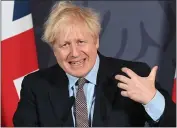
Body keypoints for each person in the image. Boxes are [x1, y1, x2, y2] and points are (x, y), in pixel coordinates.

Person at [13, 1, 176, 127]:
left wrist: (152, 100)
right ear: (54, 50)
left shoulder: (132, 75)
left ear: (96, 41)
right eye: (64, 45)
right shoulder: (36, 86)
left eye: (81, 42)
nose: (74, 53)